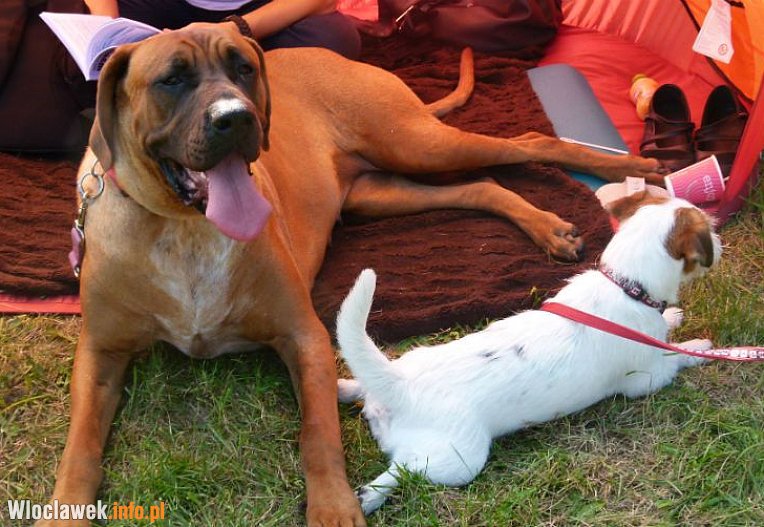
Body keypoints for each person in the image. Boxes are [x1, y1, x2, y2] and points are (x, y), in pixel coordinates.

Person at [0, 0, 360, 153]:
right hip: (153, 7)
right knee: (75, 53)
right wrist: (107, 27)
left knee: (332, 40)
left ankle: (245, 114)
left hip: (256, 15)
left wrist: (235, 29)